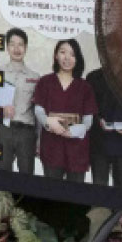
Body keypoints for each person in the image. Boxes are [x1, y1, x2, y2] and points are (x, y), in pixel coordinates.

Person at [32, 38, 96, 181]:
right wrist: (48, 122)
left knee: (75, 191)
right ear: (56, 55)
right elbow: (38, 110)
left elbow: (88, 120)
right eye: (63, 52)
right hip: (52, 148)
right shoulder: (45, 82)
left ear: (77, 59)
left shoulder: (85, 87)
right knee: (52, 190)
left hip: (77, 150)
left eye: (72, 54)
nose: (67, 58)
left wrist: (75, 131)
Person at [0, 28, 39, 174]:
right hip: (4, 130)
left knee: (26, 176)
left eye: (20, 44)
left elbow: (38, 109)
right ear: (7, 47)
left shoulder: (35, 77)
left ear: (26, 48)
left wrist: (38, 138)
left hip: (26, 132)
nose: (16, 48)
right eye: (12, 44)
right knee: (3, 173)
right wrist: (1, 109)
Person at [86, 66, 122, 187]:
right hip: (99, 143)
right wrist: (97, 120)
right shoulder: (93, 77)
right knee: (99, 190)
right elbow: (87, 107)